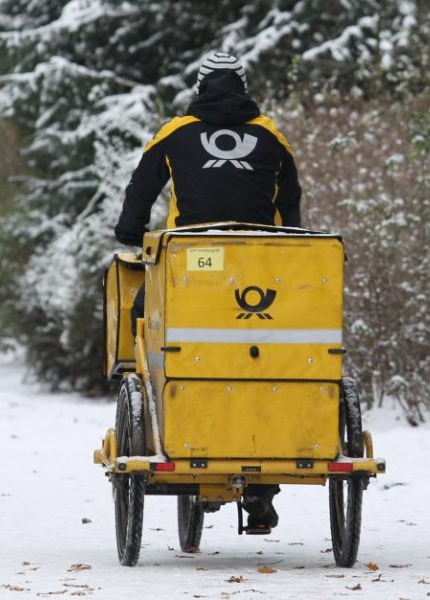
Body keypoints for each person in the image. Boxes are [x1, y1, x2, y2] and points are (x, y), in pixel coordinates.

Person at [114, 51, 301, 534]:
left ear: (199, 88)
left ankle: (166, 412)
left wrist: (131, 230)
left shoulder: (176, 131)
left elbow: (141, 187)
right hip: (260, 267)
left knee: (143, 312)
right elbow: (291, 204)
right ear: (243, 86)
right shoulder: (271, 134)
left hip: (195, 262)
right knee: (265, 353)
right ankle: (262, 481)